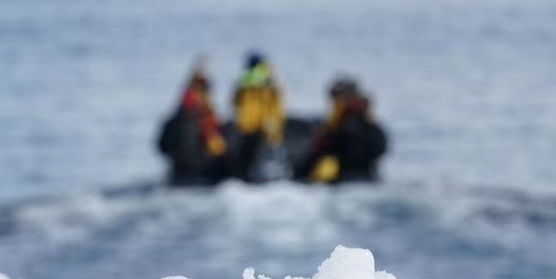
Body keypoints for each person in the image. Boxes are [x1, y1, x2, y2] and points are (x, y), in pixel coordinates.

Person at [298, 77, 389, 184]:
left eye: (339, 97)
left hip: (352, 177)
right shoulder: (337, 123)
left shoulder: (357, 125)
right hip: (354, 178)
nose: (335, 103)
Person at [157, 66, 227, 186]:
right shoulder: (196, 119)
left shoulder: (176, 117)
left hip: (176, 176)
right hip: (196, 180)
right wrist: (214, 157)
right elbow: (192, 158)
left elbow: (162, 146)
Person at [229, 52, 287, 182]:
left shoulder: (269, 82)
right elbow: (235, 103)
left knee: (265, 161)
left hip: (265, 129)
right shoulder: (246, 84)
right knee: (246, 162)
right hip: (248, 128)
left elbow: (277, 105)